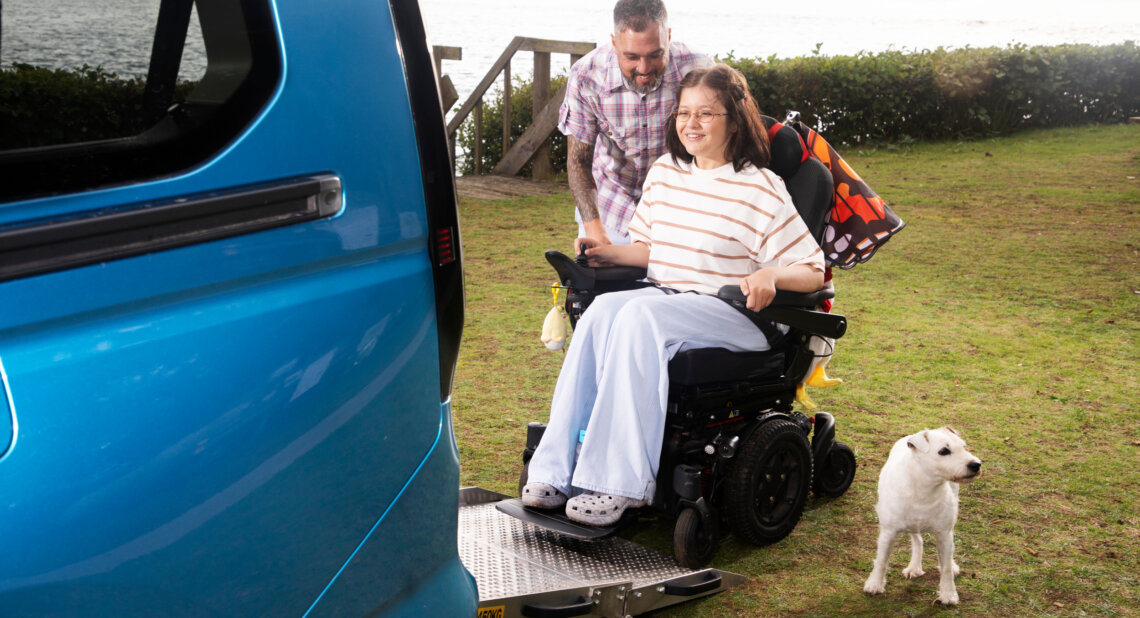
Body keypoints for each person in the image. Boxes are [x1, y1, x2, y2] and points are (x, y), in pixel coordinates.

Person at [523, 64, 826, 526]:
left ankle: (616, 484)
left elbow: (812, 270)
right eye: (685, 112)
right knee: (604, 310)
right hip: (668, 298)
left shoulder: (761, 187)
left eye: (707, 113)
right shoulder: (666, 172)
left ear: (735, 119)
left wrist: (771, 275)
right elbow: (650, 250)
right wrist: (608, 254)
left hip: (736, 315)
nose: (692, 123)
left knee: (639, 318)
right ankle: (556, 469)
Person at [559, 0, 711, 253]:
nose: (644, 69)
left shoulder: (699, 68)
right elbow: (578, 164)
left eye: (655, 55)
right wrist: (595, 229)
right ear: (614, 42)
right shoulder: (586, 75)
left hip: (678, 215)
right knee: (599, 290)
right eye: (631, 57)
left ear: (668, 37)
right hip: (611, 213)